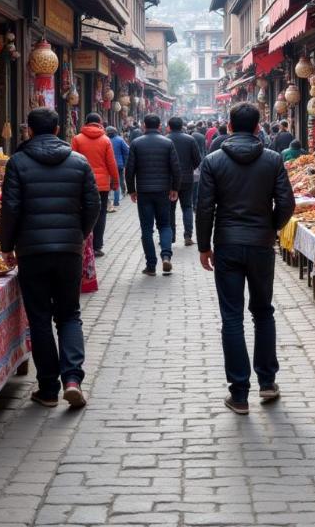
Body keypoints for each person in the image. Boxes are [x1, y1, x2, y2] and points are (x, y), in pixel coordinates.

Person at [196, 102, 295, 415]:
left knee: (232, 317)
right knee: (263, 311)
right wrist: (271, 226)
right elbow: (287, 203)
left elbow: (204, 207)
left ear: (228, 126)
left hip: (226, 244)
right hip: (261, 245)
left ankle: (239, 393)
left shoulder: (213, 161)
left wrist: (203, 245)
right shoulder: (273, 159)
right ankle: (267, 382)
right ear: (257, 128)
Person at [0, 107, 99, 409]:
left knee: (40, 318)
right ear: (58, 130)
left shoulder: (17, 162)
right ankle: (73, 379)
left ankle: (47, 388)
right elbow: (92, 205)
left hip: (32, 251)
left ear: (28, 130)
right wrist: (78, 235)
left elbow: (11, 208)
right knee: (69, 314)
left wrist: (7, 246)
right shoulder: (78, 162)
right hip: (68, 250)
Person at [126, 114, 181, 276]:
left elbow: (130, 170)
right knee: (164, 225)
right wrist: (175, 188)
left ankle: (151, 265)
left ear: (144, 125)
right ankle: (166, 256)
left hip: (144, 192)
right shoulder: (167, 143)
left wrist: (131, 190)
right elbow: (175, 168)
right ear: (159, 126)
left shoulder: (136, 143)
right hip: (163, 191)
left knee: (146, 229)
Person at [72, 113, 118, 256]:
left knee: (82, 212)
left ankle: (83, 244)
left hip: (82, 183)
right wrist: (115, 181)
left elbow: (73, 161)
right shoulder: (105, 140)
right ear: (100, 123)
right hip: (102, 185)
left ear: (86, 123)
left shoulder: (77, 139)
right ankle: (97, 246)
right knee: (100, 213)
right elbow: (111, 163)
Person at [167, 116, 201, 246]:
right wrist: (188, 168)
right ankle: (188, 236)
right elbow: (198, 160)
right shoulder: (190, 139)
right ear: (182, 126)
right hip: (187, 179)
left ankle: (170, 236)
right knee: (187, 207)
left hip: (170, 181)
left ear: (169, 126)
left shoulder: (165, 139)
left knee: (170, 208)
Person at [106, 125, 129, 208]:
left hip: (107, 165)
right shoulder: (120, 140)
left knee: (108, 182)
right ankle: (116, 202)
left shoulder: (105, 140)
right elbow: (127, 150)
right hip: (118, 164)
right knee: (117, 182)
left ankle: (107, 201)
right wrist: (125, 161)